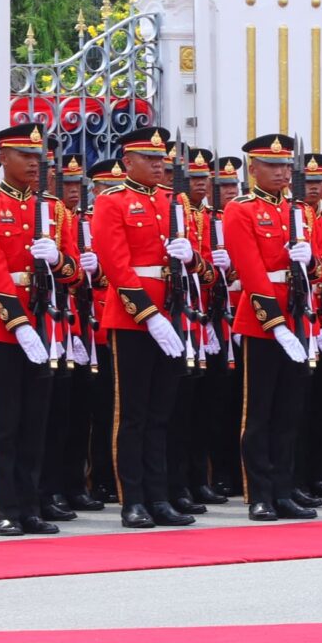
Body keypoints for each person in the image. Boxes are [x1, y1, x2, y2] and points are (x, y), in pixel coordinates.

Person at [0, 122, 69, 536]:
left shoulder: (53, 209)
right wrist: (21, 325)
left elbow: (76, 272)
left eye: (37, 155)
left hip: (44, 320)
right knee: (6, 423)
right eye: (24, 155)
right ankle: (5, 508)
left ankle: (30, 506)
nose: (33, 162)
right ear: (3, 158)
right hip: (4, 326)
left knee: (35, 422)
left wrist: (59, 258)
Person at [91, 127, 194, 529]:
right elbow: (116, 266)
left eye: (161, 159)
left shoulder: (173, 202)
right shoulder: (112, 201)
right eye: (149, 159)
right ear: (127, 161)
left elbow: (196, 260)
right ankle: (132, 500)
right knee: (132, 415)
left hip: (172, 311)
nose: (158, 165)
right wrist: (149, 315)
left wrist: (191, 258)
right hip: (134, 319)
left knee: (160, 414)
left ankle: (159, 496)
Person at [222, 133, 320, 522]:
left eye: (285, 166)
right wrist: (277, 325)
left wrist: (311, 261)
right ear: (253, 169)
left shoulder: (301, 213)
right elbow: (250, 271)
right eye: (273, 166)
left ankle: (283, 488)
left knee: (289, 412)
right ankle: (259, 494)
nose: (282, 172)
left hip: (298, 317)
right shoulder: (240, 210)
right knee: (260, 412)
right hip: (264, 322)